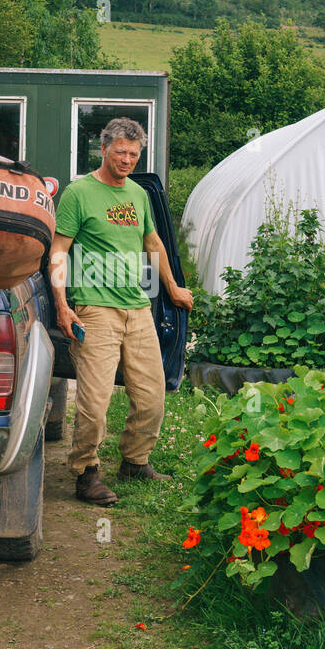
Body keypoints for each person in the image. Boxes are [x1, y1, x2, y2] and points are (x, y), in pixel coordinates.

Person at [48, 117, 194, 506]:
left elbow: (153, 242)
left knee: (152, 397)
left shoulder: (137, 194)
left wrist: (173, 287)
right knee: (94, 403)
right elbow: (59, 251)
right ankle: (86, 472)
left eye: (134, 153)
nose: (127, 159)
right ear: (104, 150)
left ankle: (135, 460)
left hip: (138, 309)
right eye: (120, 152)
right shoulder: (80, 193)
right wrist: (63, 306)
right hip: (95, 310)